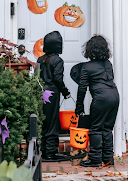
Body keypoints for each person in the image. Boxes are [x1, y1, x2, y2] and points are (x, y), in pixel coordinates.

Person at [71, 35, 120, 167]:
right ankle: (108, 158)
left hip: (101, 98)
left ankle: (95, 159)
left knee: (96, 128)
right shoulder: (108, 64)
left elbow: (82, 89)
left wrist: (79, 107)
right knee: (108, 128)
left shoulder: (87, 67)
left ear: (89, 50)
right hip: (115, 96)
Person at [37, 31, 71, 161]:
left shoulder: (40, 59)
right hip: (52, 93)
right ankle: (50, 152)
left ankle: (44, 149)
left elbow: (37, 77)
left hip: (41, 92)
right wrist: (65, 92)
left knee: (45, 121)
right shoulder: (58, 60)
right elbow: (58, 79)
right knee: (52, 122)